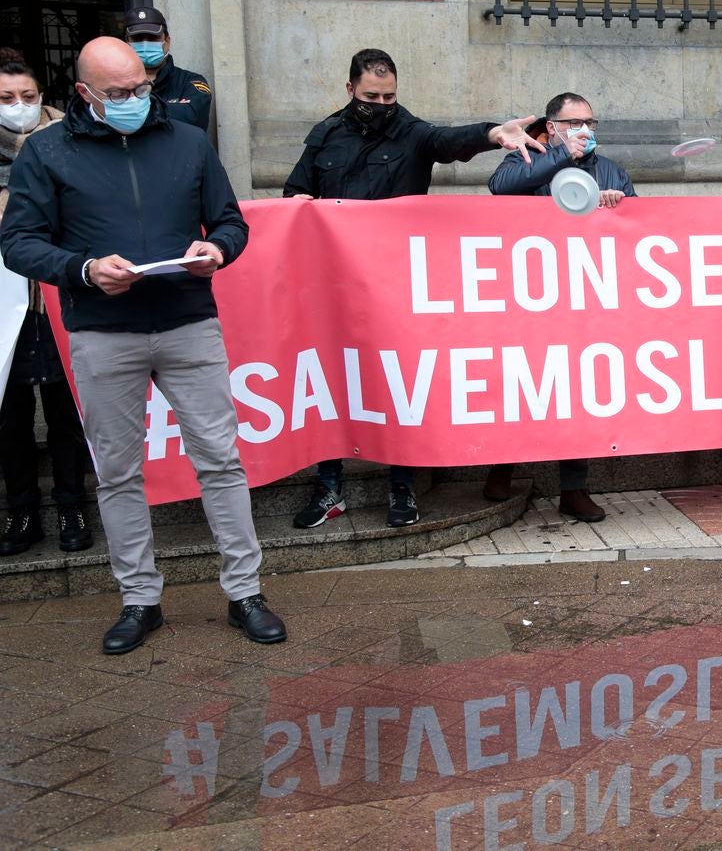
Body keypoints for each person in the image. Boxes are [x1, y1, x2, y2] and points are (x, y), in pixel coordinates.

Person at [0, 37, 285, 654]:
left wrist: (220, 250)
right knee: (120, 474)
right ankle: (139, 600)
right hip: (103, 333)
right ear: (84, 94)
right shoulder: (47, 152)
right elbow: (18, 242)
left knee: (221, 460)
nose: (135, 100)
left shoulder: (187, 140)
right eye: (119, 94)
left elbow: (229, 220)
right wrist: (82, 268)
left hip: (187, 322)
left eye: (142, 87)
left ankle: (245, 592)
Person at [283, 48, 545, 529]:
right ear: (350, 91)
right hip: (334, 283)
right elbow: (296, 192)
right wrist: (298, 204)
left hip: (393, 283)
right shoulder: (325, 134)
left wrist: (493, 133)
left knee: (396, 382)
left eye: (389, 96)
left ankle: (402, 486)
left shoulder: (410, 130)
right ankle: (329, 488)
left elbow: (448, 140)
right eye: (371, 96)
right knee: (332, 380)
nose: (381, 103)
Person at [481, 92, 635, 523]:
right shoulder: (528, 156)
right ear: (551, 128)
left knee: (576, 393)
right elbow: (500, 188)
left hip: (584, 299)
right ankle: (502, 468)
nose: (584, 130)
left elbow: (637, 226)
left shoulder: (610, 170)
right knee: (526, 385)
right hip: (531, 297)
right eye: (573, 123)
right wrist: (561, 158)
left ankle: (574, 488)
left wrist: (616, 206)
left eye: (590, 122)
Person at [0, 60, 93, 555]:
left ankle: (72, 505)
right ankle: (21, 512)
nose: (20, 106)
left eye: (27, 94)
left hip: (54, 299)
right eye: (7, 97)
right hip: (3, 309)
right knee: (9, 416)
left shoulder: (67, 143)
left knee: (65, 411)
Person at [123, 6, 212, 130]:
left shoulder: (190, 81)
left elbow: (193, 118)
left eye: (152, 38)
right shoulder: (118, 83)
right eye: (138, 39)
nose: (145, 44)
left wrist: (133, 108)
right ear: (127, 43)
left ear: (167, 41)